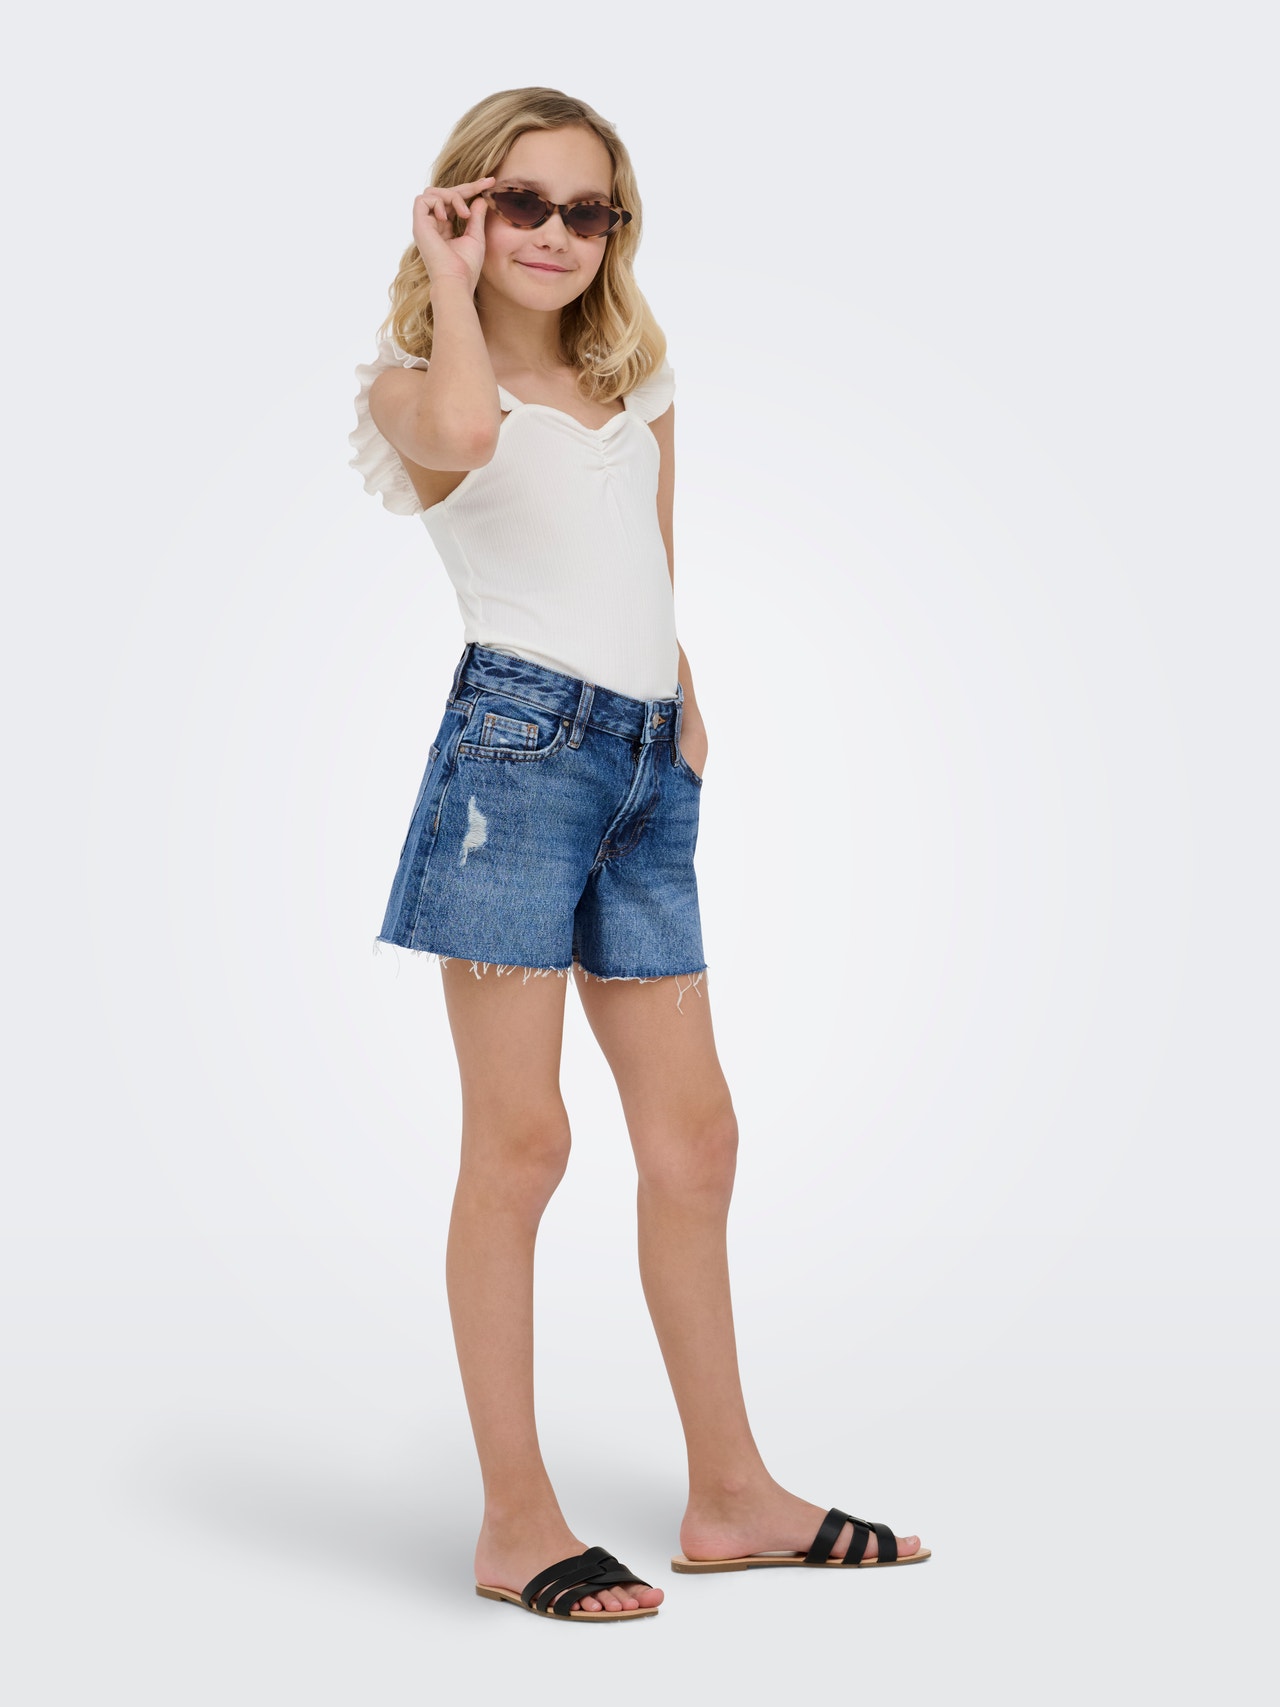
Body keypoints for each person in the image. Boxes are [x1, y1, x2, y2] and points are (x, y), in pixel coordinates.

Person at [349, 86, 929, 1622]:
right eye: (518, 203)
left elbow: (656, 555)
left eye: (587, 210)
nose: (555, 232)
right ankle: (514, 1522)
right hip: (513, 768)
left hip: (643, 768)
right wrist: (449, 279)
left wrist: (686, 711)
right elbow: (469, 436)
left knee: (697, 1141)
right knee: (523, 1142)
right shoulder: (416, 390)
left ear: (618, 231)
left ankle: (731, 1495)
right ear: (463, 208)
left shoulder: (635, 379)